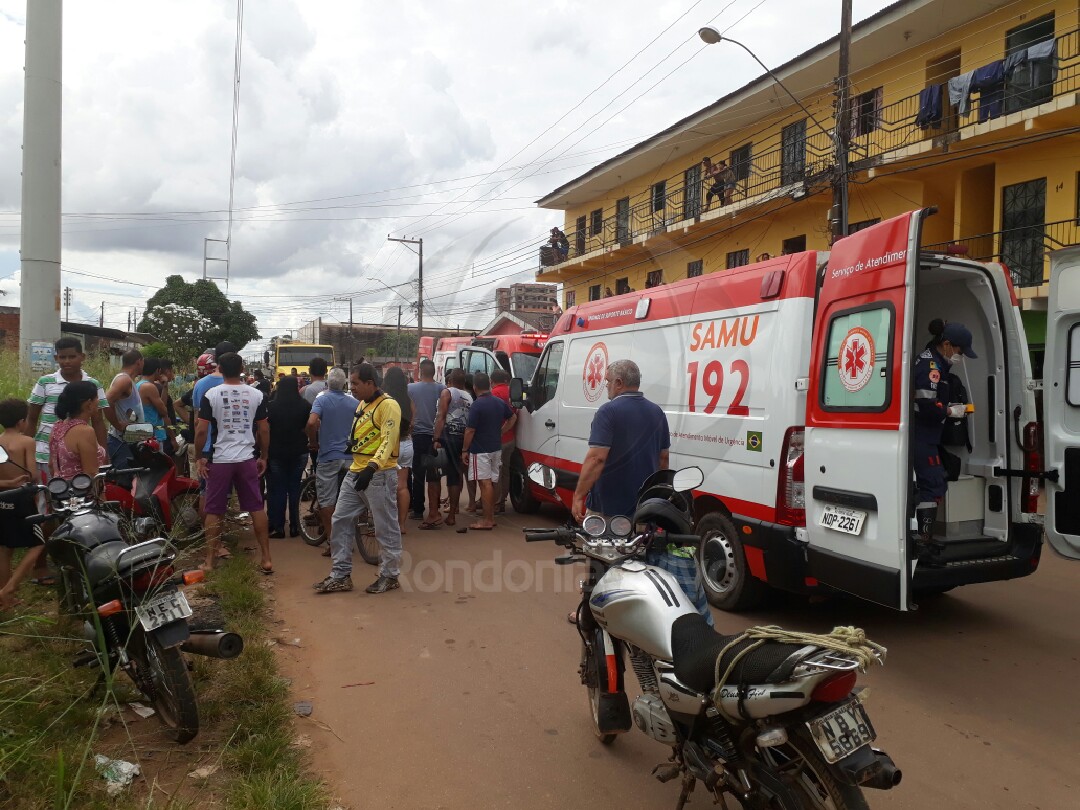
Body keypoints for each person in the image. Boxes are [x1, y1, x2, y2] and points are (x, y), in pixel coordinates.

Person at [571, 359, 713, 627]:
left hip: (607, 503)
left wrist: (579, 495)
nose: (606, 389)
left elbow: (596, 459)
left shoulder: (608, 412)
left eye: (607, 383)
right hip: (643, 506)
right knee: (638, 557)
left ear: (619, 383)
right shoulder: (657, 412)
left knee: (599, 556)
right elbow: (663, 461)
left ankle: (591, 614)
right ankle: (631, 613)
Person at [313, 363, 402, 595]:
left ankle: (390, 575)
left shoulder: (389, 405)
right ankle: (341, 574)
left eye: (355, 383)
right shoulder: (363, 404)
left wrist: (372, 468)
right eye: (350, 383)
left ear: (370, 383)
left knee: (385, 526)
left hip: (379, 474)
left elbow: (388, 440)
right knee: (340, 519)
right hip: (356, 471)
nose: (351, 388)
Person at [195, 352, 273, 575]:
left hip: (220, 460)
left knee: (214, 510)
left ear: (219, 367)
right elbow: (264, 429)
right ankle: (266, 559)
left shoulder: (211, 394)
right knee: (256, 507)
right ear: (241, 368)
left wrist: (199, 456)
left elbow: (201, 430)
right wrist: (264, 456)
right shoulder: (256, 395)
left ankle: (210, 561)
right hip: (247, 458)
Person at [912, 319, 977, 560]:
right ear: (948, 344)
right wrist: (951, 411)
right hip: (922, 436)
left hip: (926, 436)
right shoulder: (931, 366)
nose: (961, 356)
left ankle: (922, 539)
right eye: (960, 351)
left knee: (932, 482)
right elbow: (926, 404)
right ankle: (922, 543)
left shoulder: (935, 361)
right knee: (933, 484)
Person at [26, 337, 113, 482]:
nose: (67, 361)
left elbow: (98, 422)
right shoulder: (45, 382)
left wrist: (104, 455)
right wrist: (27, 453)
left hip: (81, 453)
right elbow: (32, 418)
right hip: (45, 453)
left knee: (84, 493)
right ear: (56, 358)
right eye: (62, 357)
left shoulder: (93, 385)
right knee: (46, 498)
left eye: (72, 356)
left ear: (82, 357)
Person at [306, 368, 360, 547]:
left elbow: (312, 422)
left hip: (328, 456)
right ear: (345, 384)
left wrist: (313, 442)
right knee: (350, 498)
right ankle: (350, 537)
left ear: (328, 383)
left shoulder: (321, 400)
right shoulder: (354, 402)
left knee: (327, 500)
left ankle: (333, 542)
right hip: (350, 457)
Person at [461, 372, 516, 531]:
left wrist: (465, 449)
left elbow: (470, 430)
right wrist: (502, 431)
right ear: (489, 385)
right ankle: (490, 516)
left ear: (475, 387)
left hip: (481, 450)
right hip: (495, 448)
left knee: (484, 484)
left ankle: (487, 519)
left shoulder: (477, 404)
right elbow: (512, 418)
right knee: (492, 481)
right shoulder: (498, 402)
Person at [0, 399, 41, 610]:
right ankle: (11, 588)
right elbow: (32, 474)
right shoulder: (27, 442)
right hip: (22, 499)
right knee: (37, 544)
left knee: (5, 549)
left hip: (2, 499)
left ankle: (4, 598)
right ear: (21, 421)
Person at [266, 376, 311, 538]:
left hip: (276, 452)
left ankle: (278, 528)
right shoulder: (305, 406)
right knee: (294, 489)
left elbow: (266, 430)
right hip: (299, 452)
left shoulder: (272, 407)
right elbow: (309, 426)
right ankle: (295, 527)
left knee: (278, 490)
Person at [431, 369, 473, 527]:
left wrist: (435, 438)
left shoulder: (447, 392)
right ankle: (453, 514)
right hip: (462, 440)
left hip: (447, 437)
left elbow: (441, 416)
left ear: (450, 380)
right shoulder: (469, 396)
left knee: (434, 473)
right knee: (455, 475)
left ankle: (434, 512)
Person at [407, 359, 445, 521]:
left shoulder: (410, 388)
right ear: (434, 372)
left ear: (421, 371)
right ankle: (435, 508)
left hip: (417, 436)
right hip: (436, 437)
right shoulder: (442, 389)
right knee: (435, 473)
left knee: (417, 473)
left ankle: (417, 509)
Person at [49, 381, 109, 479]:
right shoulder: (85, 431)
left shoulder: (57, 427)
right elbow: (91, 473)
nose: (98, 401)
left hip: (60, 490)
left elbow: (51, 465)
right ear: (89, 404)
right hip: (82, 491)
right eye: (96, 398)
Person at [382, 367, 413, 535]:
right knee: (402, 486)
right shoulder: (408, 399)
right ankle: (401, 525)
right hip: (406, 444)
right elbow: (413, 421)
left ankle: (386, 524)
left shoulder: (383, 399)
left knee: (385, 487)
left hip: (389, 445)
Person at [105, 348, 145, 467]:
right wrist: (118, 425)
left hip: (129, 441)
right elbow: (106, 401)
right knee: (124, 482)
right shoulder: (124, 380)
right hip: (121, 443)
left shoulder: (128, 380)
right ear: (139, 362)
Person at [489, 368, 516, 514]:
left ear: (492, 381)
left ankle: (496, 503)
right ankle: (502, 500)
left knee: (495, 473)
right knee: (505, 471)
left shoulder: (494, 394)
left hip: (497, 440)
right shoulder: (512, 392)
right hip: (511, 438)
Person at [137, 357, 170, 442]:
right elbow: (163, 411)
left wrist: (165, 387)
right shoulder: (149, 387)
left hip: (142, 433)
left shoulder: (138, 385)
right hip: (152, 437)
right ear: (157, 370)